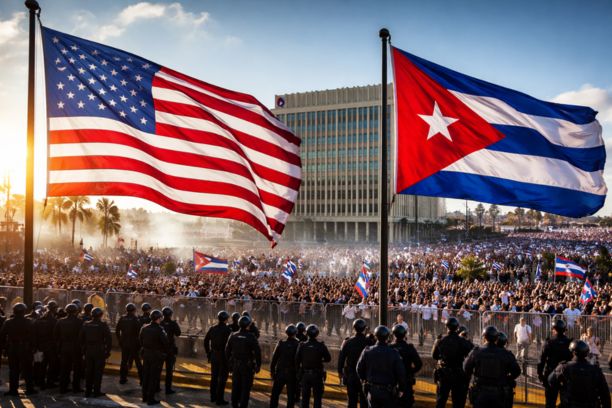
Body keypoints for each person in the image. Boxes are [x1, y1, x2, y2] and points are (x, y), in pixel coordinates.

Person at [548, 340, 611, 408]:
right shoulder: (595, 370)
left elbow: (551, 380)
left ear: (573, 352)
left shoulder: (564, 367)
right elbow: (605, 393)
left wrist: (562, 388)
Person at [356, 325, 407, 408]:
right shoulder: (394, 353)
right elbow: (401, 373)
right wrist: (401, 388)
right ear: (387, 337)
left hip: (372, 390)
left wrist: (365, 380)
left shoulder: (367, 351)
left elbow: (359, 369)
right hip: (388, 391)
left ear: (376, 337)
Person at [431, 316, 473, 408]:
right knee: (457, 402)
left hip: (444, 373)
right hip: (458, 373)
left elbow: (434, 356)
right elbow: (472, 353)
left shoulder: (440, 340)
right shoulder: (462, 341)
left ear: (446, 326)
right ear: (457, 327)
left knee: (441, 400)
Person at [0, 303, 36, 396]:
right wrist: (33, 348)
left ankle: (13, 390)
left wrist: (4, 348)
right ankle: (30, 389)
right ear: (24, 312)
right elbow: (33, 337)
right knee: (28, 369)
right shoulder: (29, 322)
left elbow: (2, 336)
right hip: (25, 348)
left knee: (13, 370)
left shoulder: (8, 322)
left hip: (12, 348)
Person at [225, 315, 261, 408]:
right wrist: (258, 365)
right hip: (247, 366)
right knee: (245, 388)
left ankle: (234, 405)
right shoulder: (251, 336)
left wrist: (229, 364)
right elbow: (257, 352)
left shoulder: (233, 335)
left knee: (235, 386)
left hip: (236, 365)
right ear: (248, 325)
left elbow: (227, 351)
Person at [537, 319, 573, 408]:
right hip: (566, 376)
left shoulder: (549, 342)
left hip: (551, 375)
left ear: (554, 329)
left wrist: (540, 375)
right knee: (566, 403)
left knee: (550, 403)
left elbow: (541, 360)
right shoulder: (570, 343)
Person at [338, 319, 373, 408]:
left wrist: (340, 373)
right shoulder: (369, 342)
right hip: (364, 376)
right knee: (364, 402)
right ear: (365, 328)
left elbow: (341, 359)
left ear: (353, 328)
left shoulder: (348, 342)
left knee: (351, 401)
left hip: (351, 375)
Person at [295, 324, 331, 408]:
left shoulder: (302, 345)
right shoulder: (321, 345)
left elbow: (297, 359)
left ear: (307, 333)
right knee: (317, 399)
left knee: (305, 399)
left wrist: (298, 372)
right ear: (317, 334)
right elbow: (328, 358)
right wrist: (319, 360)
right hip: (317, 375)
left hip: (305, 375)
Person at [79, 307, 112, 397]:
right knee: (98, 371)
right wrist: (107, 351)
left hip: (89, 350)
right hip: (99, 350)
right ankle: (96, 391)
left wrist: (84, 349)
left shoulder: (86, 324)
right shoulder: (103, 325)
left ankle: (88, 391)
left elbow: (81, 338)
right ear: (101, 315)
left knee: (89, 371)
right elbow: (109, 339)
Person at [140, 309, 169, 406]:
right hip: (156, 356)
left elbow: (141, 340)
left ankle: (144, 397)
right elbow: (165, 343)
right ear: (158, 318)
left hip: (146, 354)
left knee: (146, 376)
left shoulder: (144, 328)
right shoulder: (160, 329)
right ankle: (150, 399)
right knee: (153, 377)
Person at [204, 310, 232, 406]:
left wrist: (208, 352)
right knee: (222, 379)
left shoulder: (213, 328)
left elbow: (206, 341)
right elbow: (230, 346)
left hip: (214, 355)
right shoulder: (228, 330)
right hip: (223, 357)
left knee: (214, 377)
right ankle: (219, 399)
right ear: (226, 319)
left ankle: (213, 397)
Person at [391, 324, 422, 408]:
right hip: (406, 380)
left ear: (394, 334)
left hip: (392, 382)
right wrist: (410, 371)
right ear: (405, 334)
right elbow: (419, 364)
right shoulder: (409, 348)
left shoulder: (390, 348)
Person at [55, 303, 84, 393]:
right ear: (76, 311)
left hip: (64, 347)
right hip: (76, 347)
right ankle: (76, 387)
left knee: (64, 368)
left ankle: (63, 388)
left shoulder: (60, 321)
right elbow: (83, 336)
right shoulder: (80, 322)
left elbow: (56, 335)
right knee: (77, 369)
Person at [270, 324, 300, 408]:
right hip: (292, 374)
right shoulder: (298, 344)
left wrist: (272, 371)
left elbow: (274, 359)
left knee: (275, 394)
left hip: (280, 372)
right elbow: (300, 360)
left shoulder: (281, 343)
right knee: (291, 396)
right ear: (295, 333)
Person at [33, 301, 59, 389]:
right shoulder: (54, 321)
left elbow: (35, 334)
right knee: (52, 365)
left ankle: (41, 382)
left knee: (42, 365)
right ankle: (49, 382)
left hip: (41, 346)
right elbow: (56, 335)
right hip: (50, 346)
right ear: (54, 309)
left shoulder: (40, 319)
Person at [116, 303, 143, 384]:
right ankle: (142, 379)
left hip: (124, 343)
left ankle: (122, 378)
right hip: (134, 344)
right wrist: (140, 344)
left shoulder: (122, 318)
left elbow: (117, 330)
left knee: (124, 361)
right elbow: (140, 333)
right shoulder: (135, 319)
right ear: (134, 310)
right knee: (138, 362)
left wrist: (120, 340)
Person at [160, 307, 181, 395]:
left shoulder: (159, 322)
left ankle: (156, 387)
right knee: (169, 371)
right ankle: (168, 389)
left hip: (160, 349)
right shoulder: (173, 323)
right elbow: (178, 333)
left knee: (158, 369)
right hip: (170, 350)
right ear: (171, 314)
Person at [496, 332, 517, 408]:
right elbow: (517, 371)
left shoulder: (481, 352)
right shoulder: (508, 354)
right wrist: (508, 378)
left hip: (485, 389)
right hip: (503, 387)